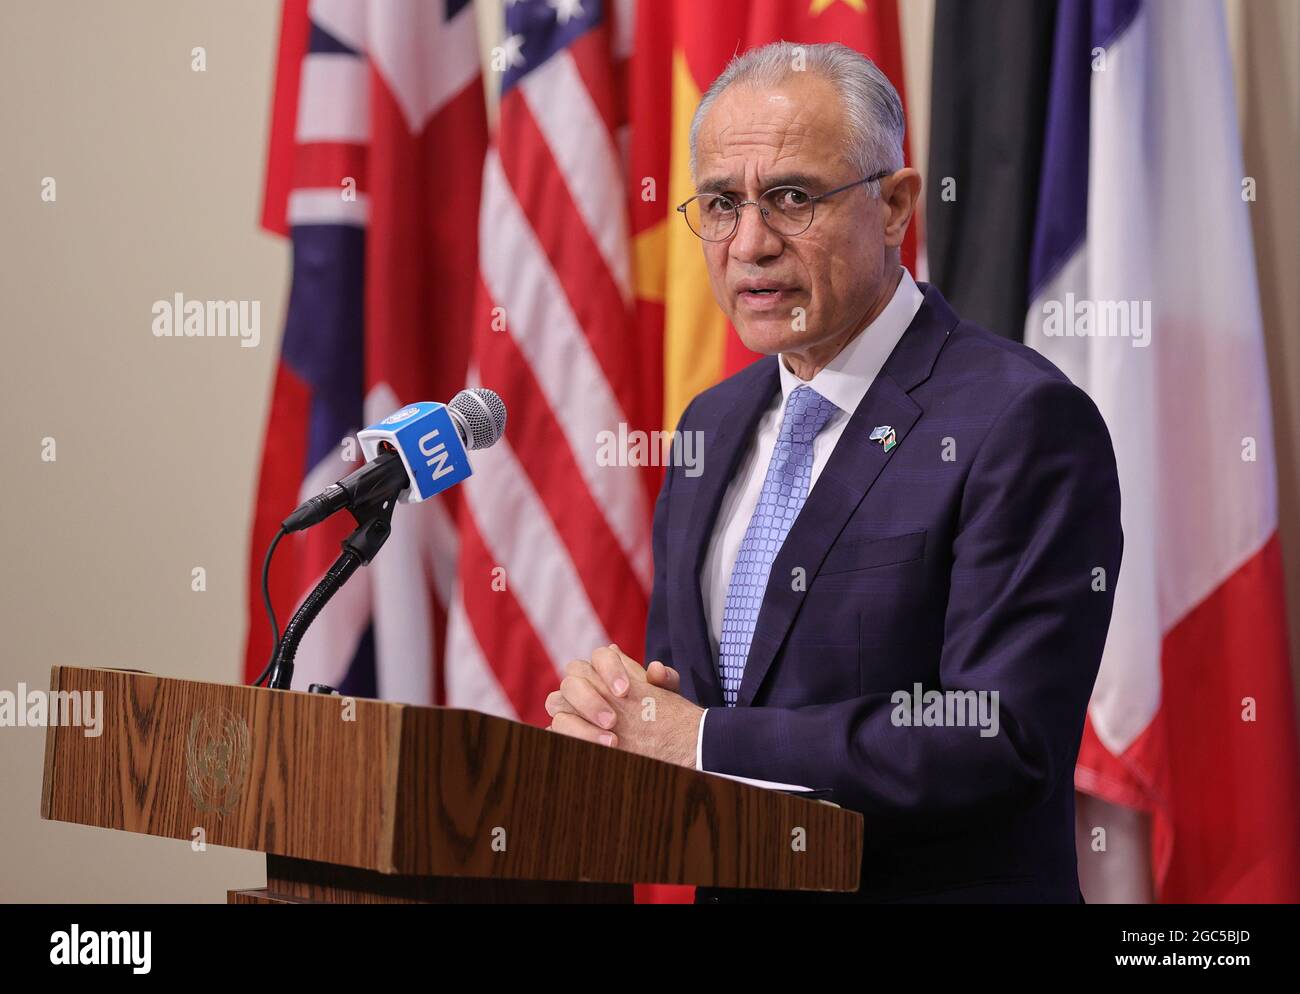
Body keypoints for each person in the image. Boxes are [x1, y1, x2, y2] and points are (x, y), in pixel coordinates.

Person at [545, 41, 1122, 903]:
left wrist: (702, 740)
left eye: (790, 198)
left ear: (894, 206)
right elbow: (695, 703)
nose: (750, 244)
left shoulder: (1020, 421)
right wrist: (625, 714)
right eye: (720, 203)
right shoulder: (711, 425)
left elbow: (996, 736)